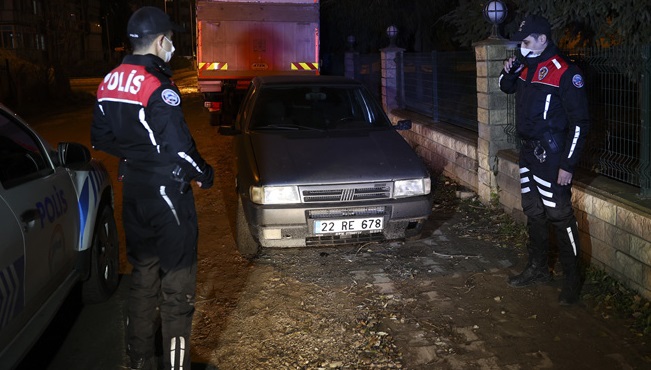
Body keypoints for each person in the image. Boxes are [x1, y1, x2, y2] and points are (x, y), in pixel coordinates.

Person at [91, 6, 214, 369]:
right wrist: (205, 174)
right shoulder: (156, 86)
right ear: (160, 41)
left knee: (143, 278)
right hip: (168, 197)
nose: (172, 46)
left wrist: (138, 156)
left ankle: (139, 359)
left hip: (135, 193)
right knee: (177, 290)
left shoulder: (108, 81)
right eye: (171, 39)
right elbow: (179, 148)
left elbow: (101, 138)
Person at [499, 14, 590, 305]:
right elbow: (505, 87)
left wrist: (568, 164)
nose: (522, 47)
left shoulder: (565, 72)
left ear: (542, 39)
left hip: (552, 157)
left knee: (561, 217)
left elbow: (580, 123)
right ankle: (538, 269)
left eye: (526, 41)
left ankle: (573, 282)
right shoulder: (526, 66)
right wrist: (510, 71)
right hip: (527, 152)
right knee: (533, 212)